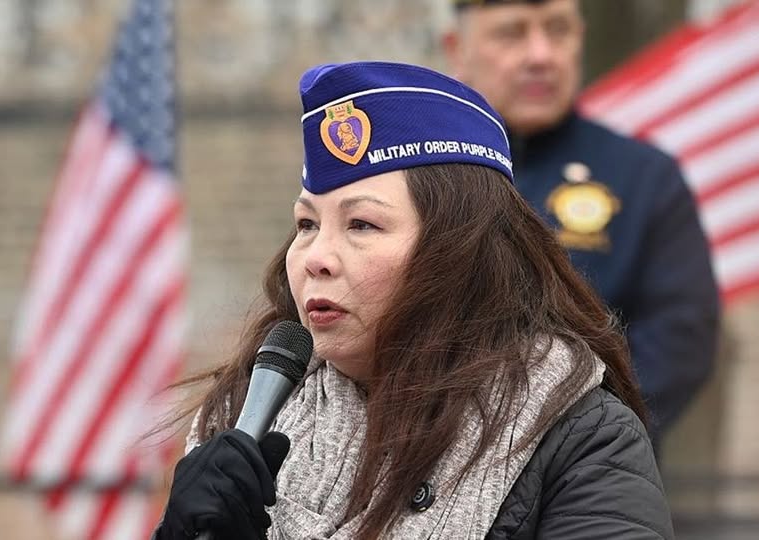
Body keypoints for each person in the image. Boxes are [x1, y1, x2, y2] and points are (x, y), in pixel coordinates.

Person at [152, 61, 673, 539]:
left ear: (460, 252)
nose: (316, 257)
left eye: (362, 224)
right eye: (306, 224)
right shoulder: (244, 411)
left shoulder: (582, 437)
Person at [442, 0, 721, 440]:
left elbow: (679, 340)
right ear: (457, 49)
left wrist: (569, 439)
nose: (541, 55)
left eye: (558, 29)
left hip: (595, 462)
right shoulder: (423, 175)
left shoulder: (643, 178)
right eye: (512, 33)